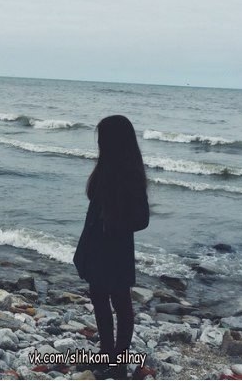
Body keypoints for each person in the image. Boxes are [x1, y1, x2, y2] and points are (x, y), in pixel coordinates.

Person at [73, 115, 150, 380]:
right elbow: (93, 200)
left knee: (121, 302)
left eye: (103, 139)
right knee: (98, 297)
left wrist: (114, 224)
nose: (99, 144)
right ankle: (106, 352)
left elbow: (142, 219)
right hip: (96, 245)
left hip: (116, 250)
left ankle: (120, 361)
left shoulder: (131, 175)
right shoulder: (104, 168)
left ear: (114, 142)